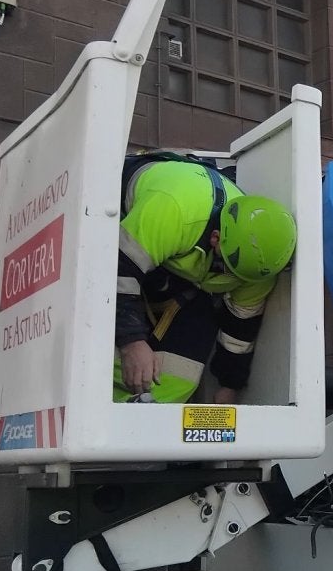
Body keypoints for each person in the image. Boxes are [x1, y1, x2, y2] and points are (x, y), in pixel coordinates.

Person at [115, 152, 297, 404]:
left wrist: (229, 386)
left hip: (183, 266)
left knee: (183, 375)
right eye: (227, 269)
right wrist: (131, 342)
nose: (230, 279)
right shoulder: (175, 209)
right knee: (114, 342)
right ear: (215, 238)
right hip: (129, 231)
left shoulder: (258, 268)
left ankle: (141, 419)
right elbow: (119, 269)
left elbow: (239, 329)